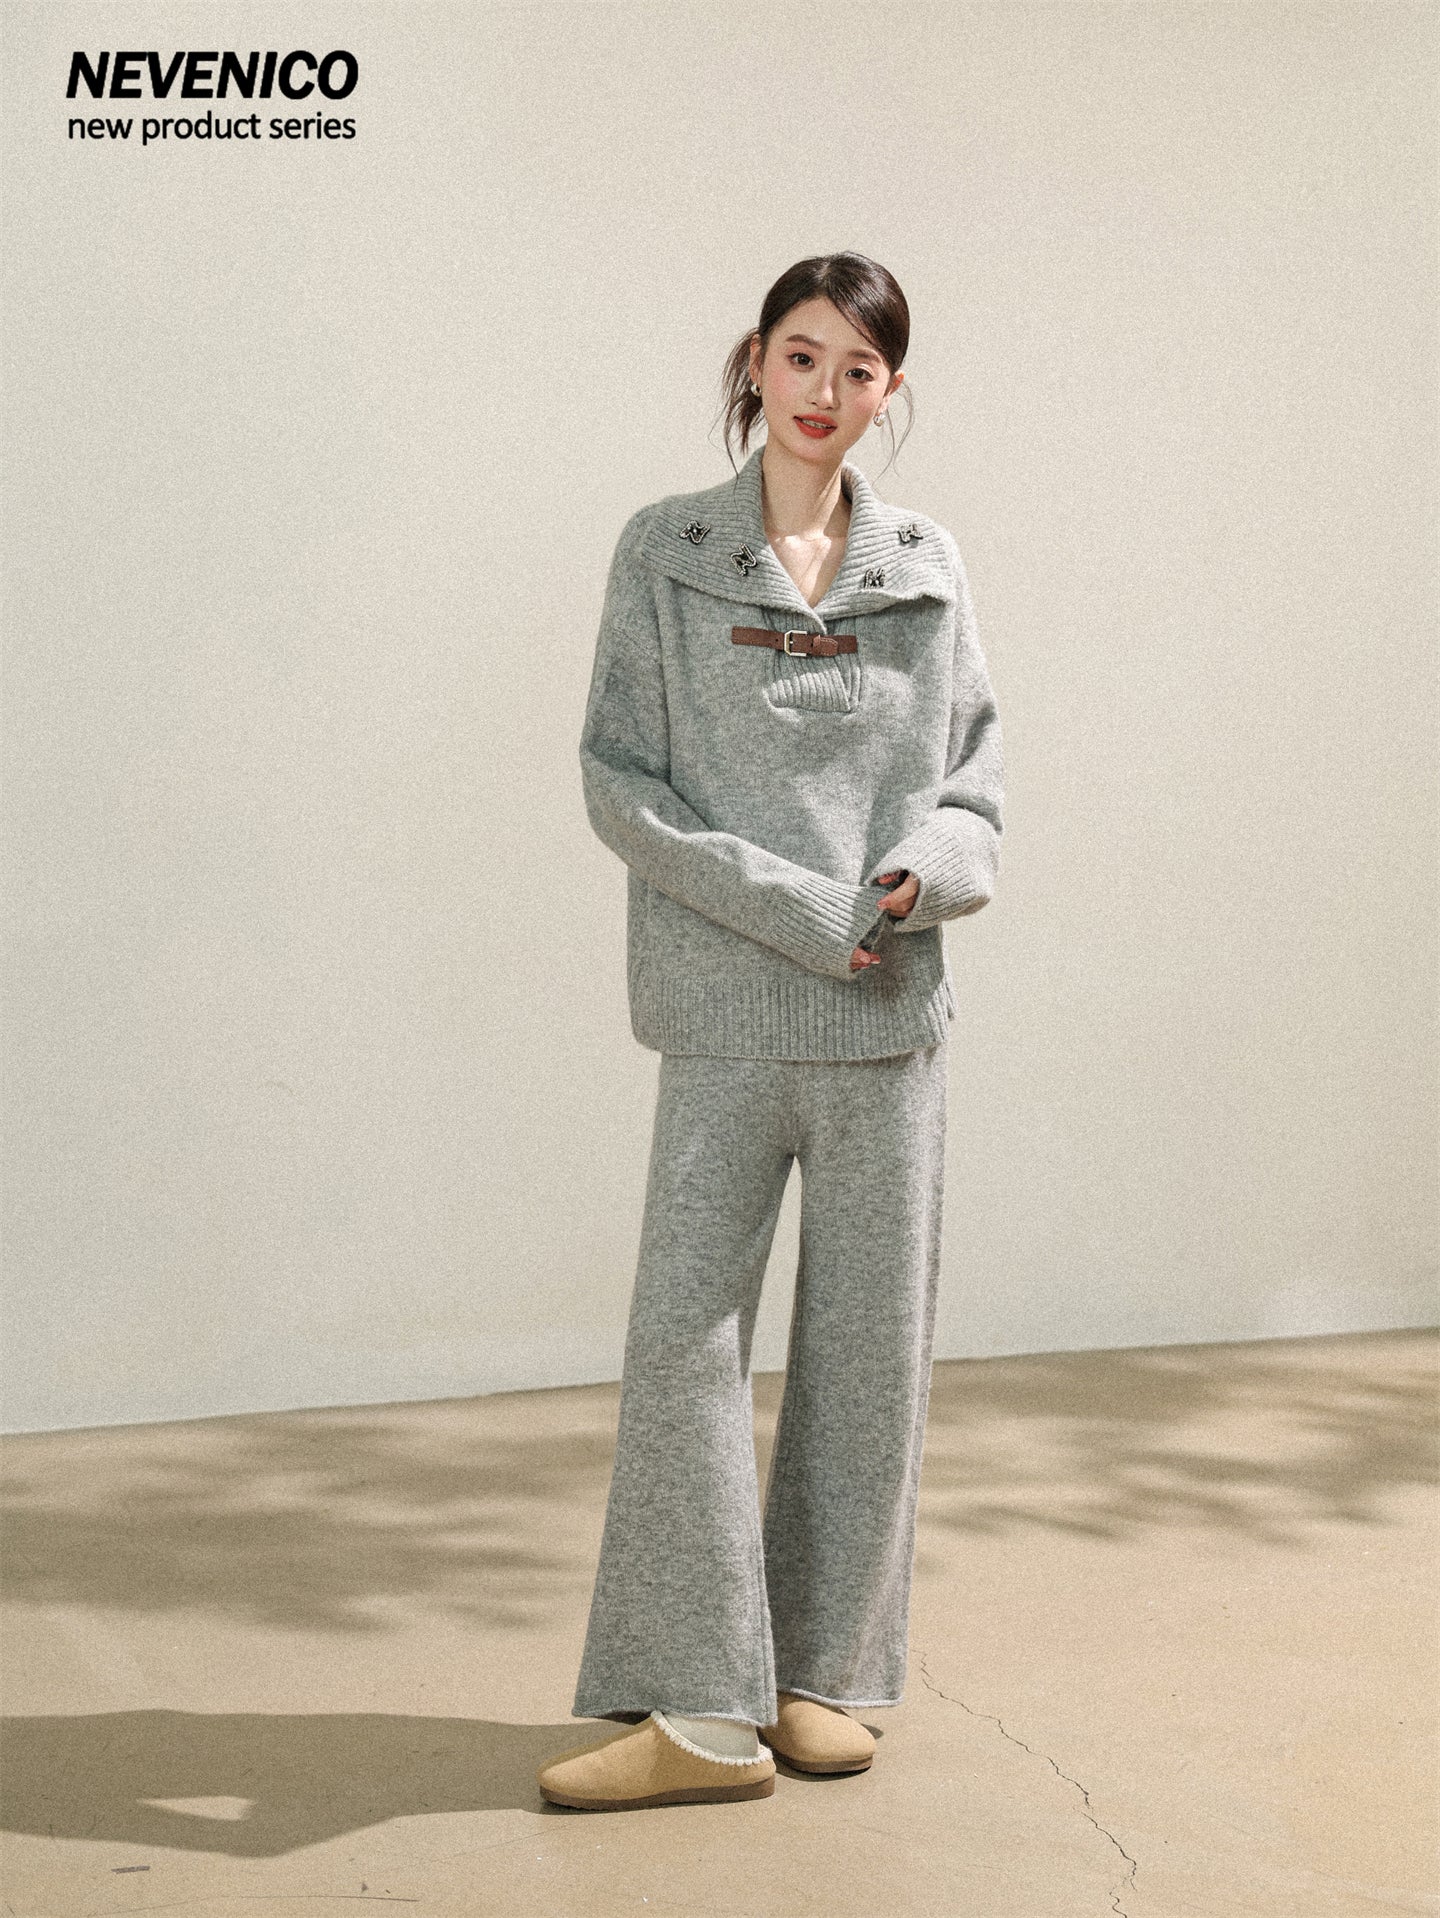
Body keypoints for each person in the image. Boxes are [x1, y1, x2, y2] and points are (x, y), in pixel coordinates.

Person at [537, 251, 1005, 1812]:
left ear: (889, 393)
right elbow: (621, 780)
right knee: (683, 1344)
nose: (824, 391)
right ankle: (697, 1708)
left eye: (858, 369)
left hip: (889, 1015)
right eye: (803, 356)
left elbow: (975, 786)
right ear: (756, 359)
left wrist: (920, 876)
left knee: (868, 1355)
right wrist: (801, 904)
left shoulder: (926, 564)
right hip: (726, 1013)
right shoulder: (667, 551)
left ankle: (824, 1677)